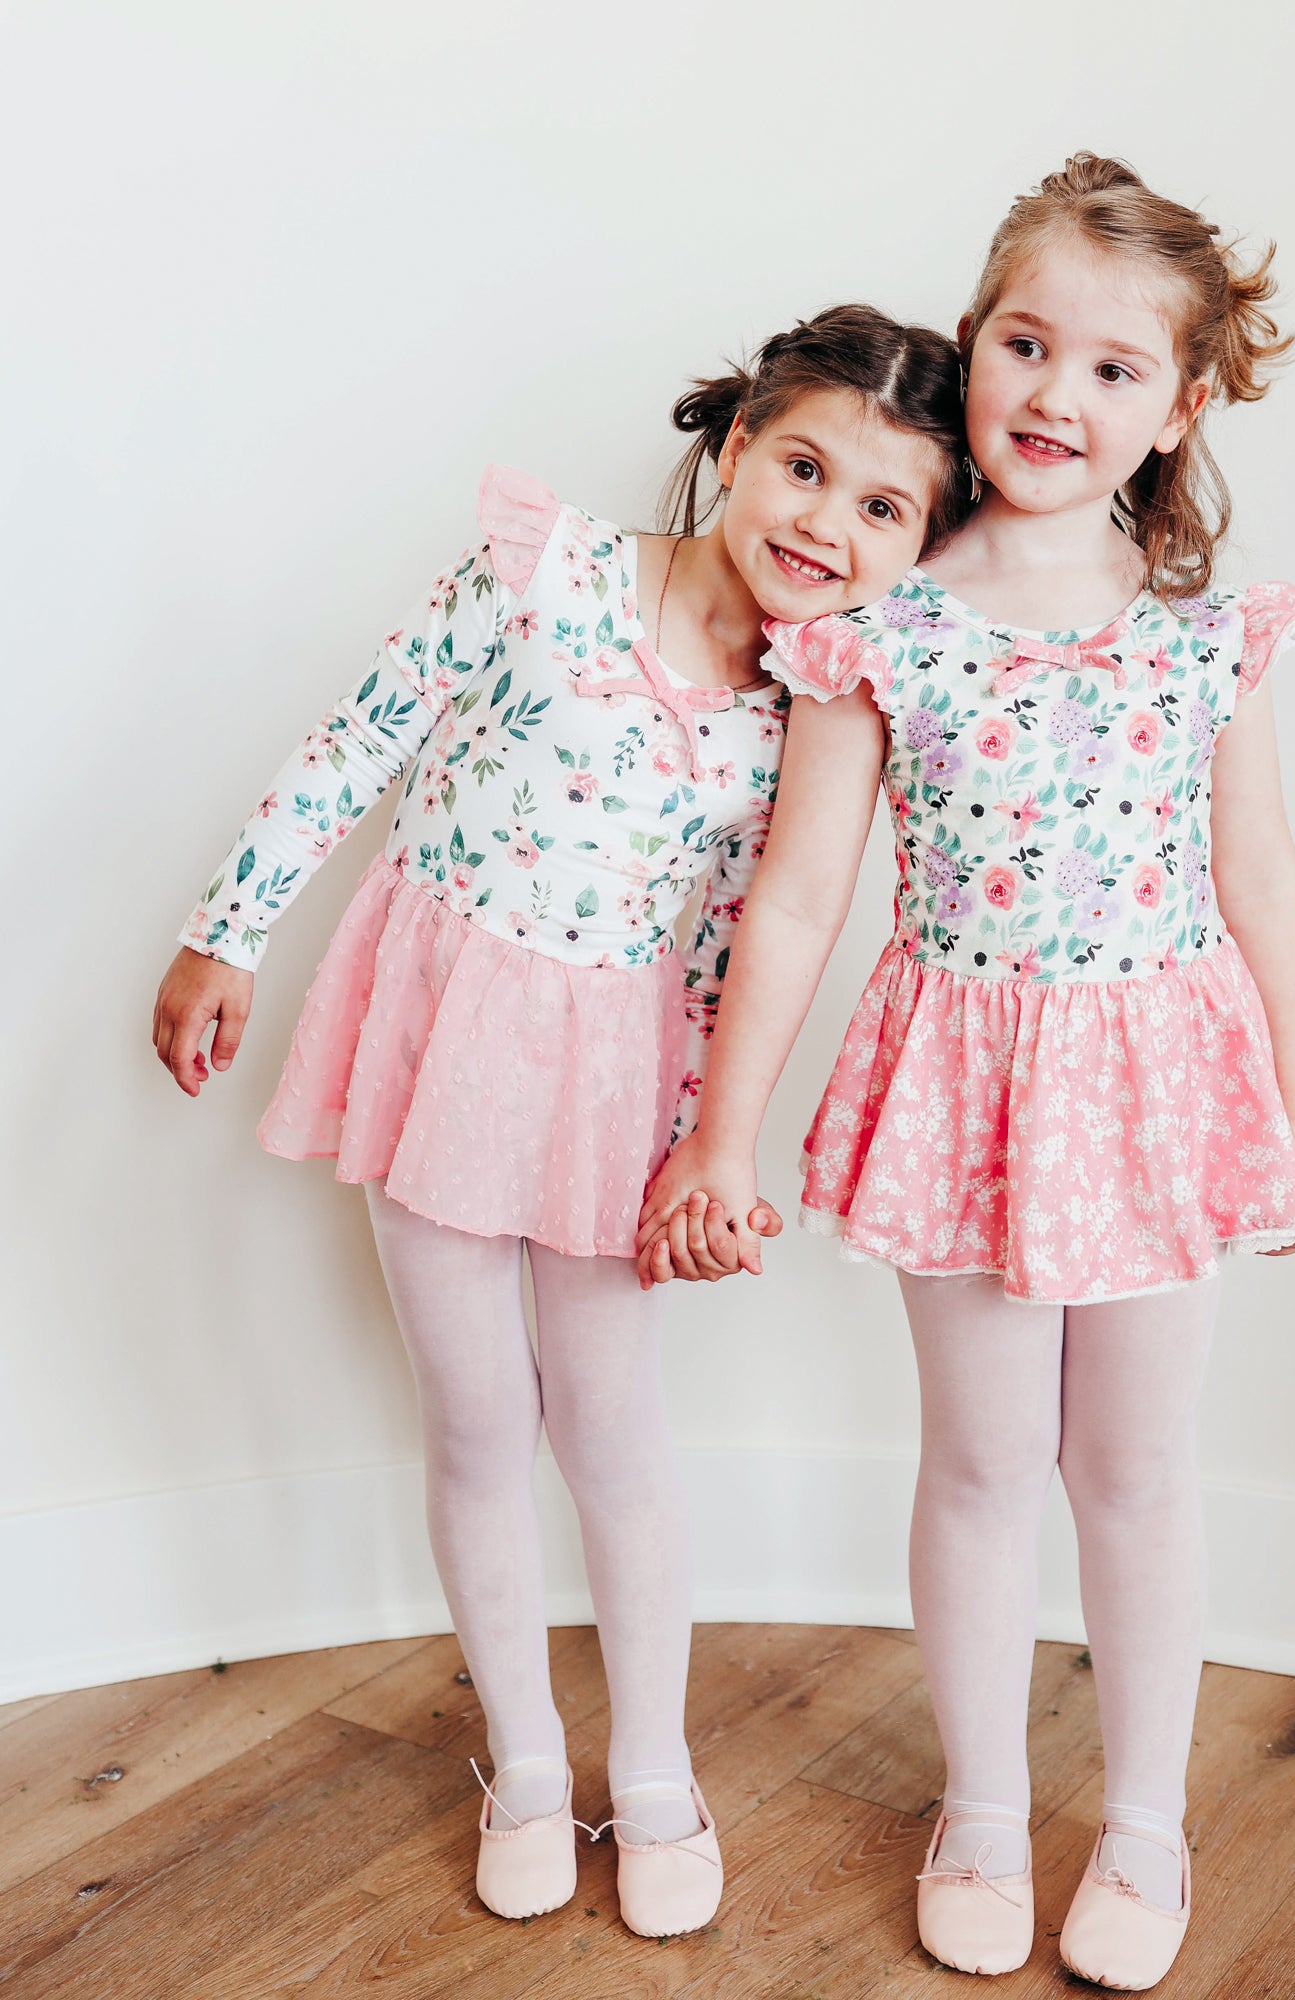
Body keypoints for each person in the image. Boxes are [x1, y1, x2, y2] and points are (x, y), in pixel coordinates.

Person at [152, 305, 970, 1939]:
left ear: (923, 545)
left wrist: (709, 1145)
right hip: (439, 1039)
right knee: (475, 1421)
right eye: (805, 468)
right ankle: (527, 1766)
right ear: (734, 448)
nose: (827, 522)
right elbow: (362, 740)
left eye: (884, 506)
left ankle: (654, 1767)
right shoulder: (543, 572)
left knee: (611, 1429)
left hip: (620, 1091)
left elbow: (752, 942)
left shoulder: (819, 714)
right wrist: (225, 930)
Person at [637, 158, 1295, 1985]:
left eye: (1114, 368)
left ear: (1180, 409)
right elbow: (799, 899)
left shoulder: (1205, 633)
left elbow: (1262, 880)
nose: (1055, 394)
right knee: (982, 1462)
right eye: (1025, 346)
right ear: (974, 343)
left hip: (1164, 1089)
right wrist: (723, 1135)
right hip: (963, 1087)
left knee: (1138, 1468)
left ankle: (1147, 1823)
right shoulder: (882, 626)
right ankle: (984, 1808)